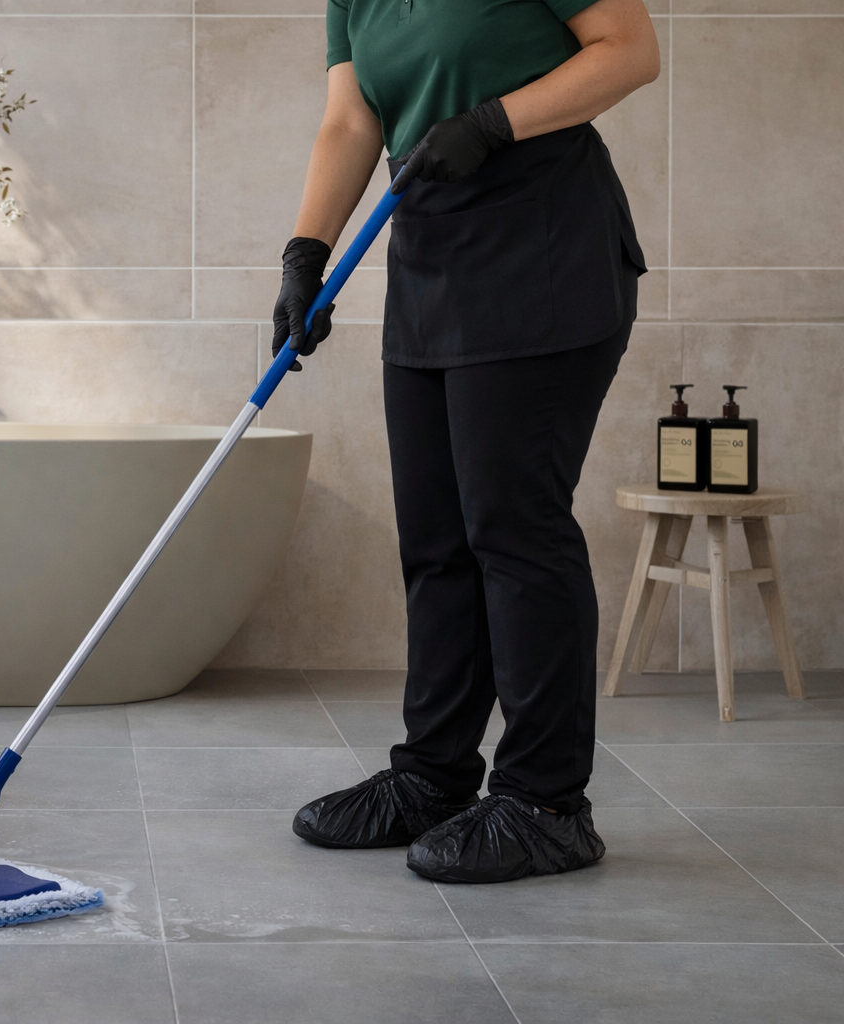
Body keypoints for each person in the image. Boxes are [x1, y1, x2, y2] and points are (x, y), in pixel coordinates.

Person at [280, 0, 659, 883]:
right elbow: (351, 121)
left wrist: (494, 123)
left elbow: (629, 51)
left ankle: (547, 804)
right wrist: (305, 254)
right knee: (437, 539)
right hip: (431, 263)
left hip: (545, 247)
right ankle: (433, 777)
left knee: (514, 530)